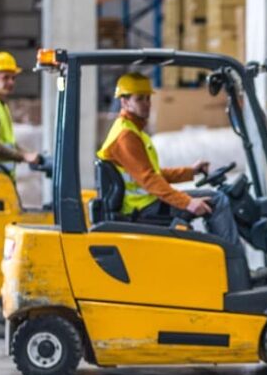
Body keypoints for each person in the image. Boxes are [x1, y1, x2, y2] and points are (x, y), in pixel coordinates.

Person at [96, 72, 239, 246]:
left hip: (147, 203)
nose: (147, 104)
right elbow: (150, 179)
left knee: (213, 199)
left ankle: (222, 256)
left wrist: (190, 171)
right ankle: (232, 262)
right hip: (144, 209)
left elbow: (151, 173)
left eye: (148, 98)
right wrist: (188, 203)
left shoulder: (132, 130)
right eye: (140, 99)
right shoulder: (126, 136)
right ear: (124, 102)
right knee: (217, 200)